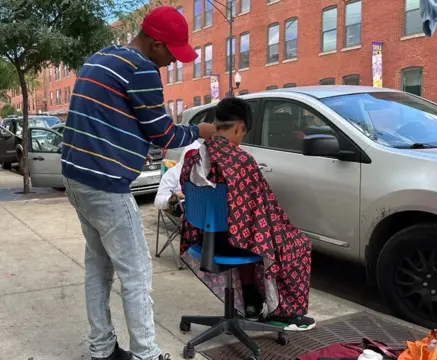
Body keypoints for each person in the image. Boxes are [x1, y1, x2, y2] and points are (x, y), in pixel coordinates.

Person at [61, 6, 217, 360]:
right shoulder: (142, 68)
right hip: (105, 183)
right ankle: (147, 354)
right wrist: (200, 131)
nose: (170, 63)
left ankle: (102, 350)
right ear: (154, 42)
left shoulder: (100, 57)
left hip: (76, 177)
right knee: (137, 274)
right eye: (170, 53)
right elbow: (163, 133)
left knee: (98, 268)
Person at [179, 97, 316, 331]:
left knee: (249, 237)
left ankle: (251, 301)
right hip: (233, 242)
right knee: (298, 244)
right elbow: (264, 210)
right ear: (239, 127)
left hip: (204, 238)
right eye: (243, 133)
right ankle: (283, 313)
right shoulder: (241, 160)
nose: (241, 139)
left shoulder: (194, 157)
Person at [153, 141, 201, 216]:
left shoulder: (205, 172)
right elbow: (158, 201)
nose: (191, 163)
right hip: (181, 205)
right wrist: (174, 197)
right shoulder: (173, 173)